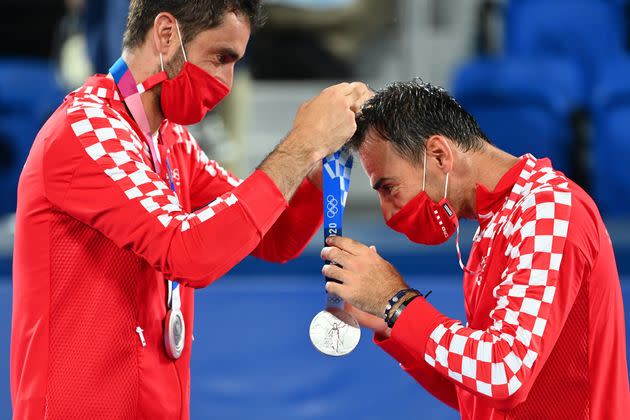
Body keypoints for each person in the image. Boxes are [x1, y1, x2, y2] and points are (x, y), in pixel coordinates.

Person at [10, 1, 370, 418]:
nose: (227, 82)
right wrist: (301, 143)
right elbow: (189, 253)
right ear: (166, 35)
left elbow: (276, 234)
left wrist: (314, 160)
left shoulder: (170, 141)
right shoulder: (86, 130)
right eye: (220, 58)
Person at [321, 80, 630, 418]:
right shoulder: (497, 220)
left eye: (388, 187)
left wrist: (396, 302)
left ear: (439, 155)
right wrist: (391, 326)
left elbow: (505, 373)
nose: (387, 213)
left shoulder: (550, 210)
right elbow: (480, 394)